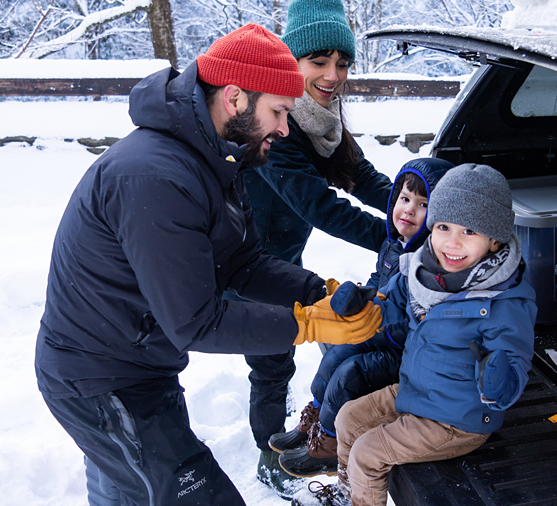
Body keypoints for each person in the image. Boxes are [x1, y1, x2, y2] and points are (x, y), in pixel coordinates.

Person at [34, 24, 383, 506]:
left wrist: (314, 290)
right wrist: (305, 325)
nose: (284, 129)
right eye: (279, 112)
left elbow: (241, 263)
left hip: (138, 364)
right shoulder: (156, 177)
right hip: (103, 381)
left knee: (129, 491)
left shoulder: (216, 156)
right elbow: (196, 321)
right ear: (236, 98)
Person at [292, 164, 539, 506]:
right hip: (416, 392)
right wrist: (357, 305)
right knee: (348, 417)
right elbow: (386, 309)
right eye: (443, 227)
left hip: (458, 419)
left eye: (469, 231)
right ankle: (348, 494)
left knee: (367, 454)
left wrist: (498, 379)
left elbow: (514, 369)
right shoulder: (420, 272)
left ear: (494, 239)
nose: (452, 242)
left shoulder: (504, 301)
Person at [241, 0, 393, 496]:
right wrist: (395, 236)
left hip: (280, 255)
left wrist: (417, 201)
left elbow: (361, 176)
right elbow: (319, 206)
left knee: (280, 351)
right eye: (319, 62)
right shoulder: (275, 124)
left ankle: (285, 441)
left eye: (342, 63)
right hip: (247, 261)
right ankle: (271, 461)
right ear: (292, 62)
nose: (333, 75)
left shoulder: (319, 119)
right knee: (271, 359)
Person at [269, 157, 454, 478]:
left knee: (350, 372)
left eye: (423, 204)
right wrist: (359, 304)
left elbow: (414, 320)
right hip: (382, 333)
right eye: (404, 199)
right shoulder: (393, 244)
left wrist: (370, 328)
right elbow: (377, 284)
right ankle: (313, 418)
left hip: (405, 353)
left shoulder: (429, 262)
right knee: (335, 354)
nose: (408, 210)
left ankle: (328, 445)